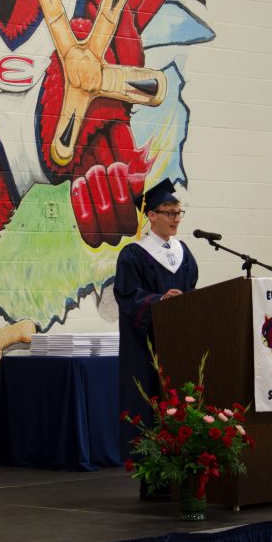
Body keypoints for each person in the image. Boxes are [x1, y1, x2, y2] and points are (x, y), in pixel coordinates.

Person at [114, 178, 198, 469]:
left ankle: (183, 459)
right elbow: (127, 296)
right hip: (145, 346)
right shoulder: (134, 254)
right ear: (151, 215)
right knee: (147, 400)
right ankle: (150, 465)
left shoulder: (184, 254)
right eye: (169, 213)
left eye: (178, 213)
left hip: (179, 345)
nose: (176, 219)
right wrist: (159, 300)